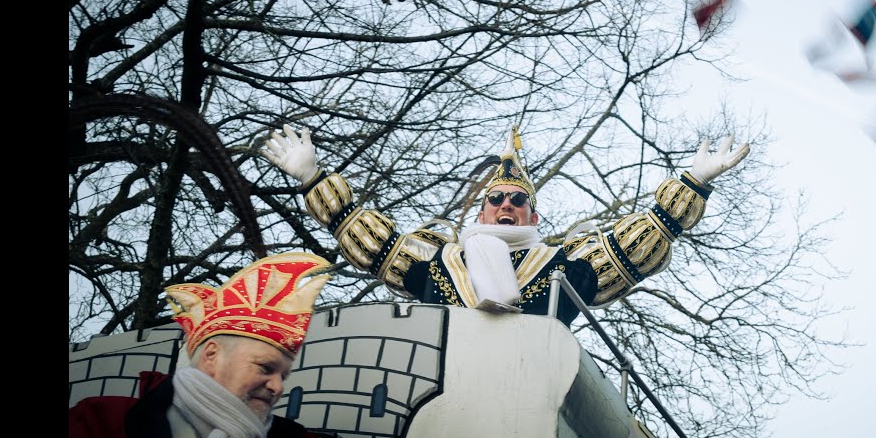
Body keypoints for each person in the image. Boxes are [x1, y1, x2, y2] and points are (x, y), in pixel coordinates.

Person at [260, 125, 750, 326]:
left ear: (533, 217)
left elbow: (633, 247)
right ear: (481, 213)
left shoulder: (561, 265)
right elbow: (372, 243)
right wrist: (313, 178)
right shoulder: (440, 261)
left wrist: (692, 184)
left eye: (518, 201)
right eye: (495, 199)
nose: (506, 205)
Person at [69, 252, 335, 438]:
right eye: (265, 368)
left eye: (283, 376)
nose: (277, 387)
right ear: (212, 356)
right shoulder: (101, 426)